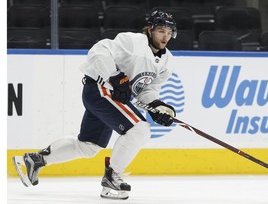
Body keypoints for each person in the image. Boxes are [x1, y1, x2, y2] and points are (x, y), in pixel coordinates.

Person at [13, 10, 177, 200]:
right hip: (100, 90)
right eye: (161, 31)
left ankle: (37, 160)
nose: (165, 36)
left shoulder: (167, 61)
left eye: (169, 32)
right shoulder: (133, 41)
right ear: (150, 30)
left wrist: (157, 106)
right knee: (139, 129)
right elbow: (99, 51)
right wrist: (115, 76)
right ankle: (112, 177)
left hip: (109, 97)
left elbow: (147, 89)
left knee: (89, 146)